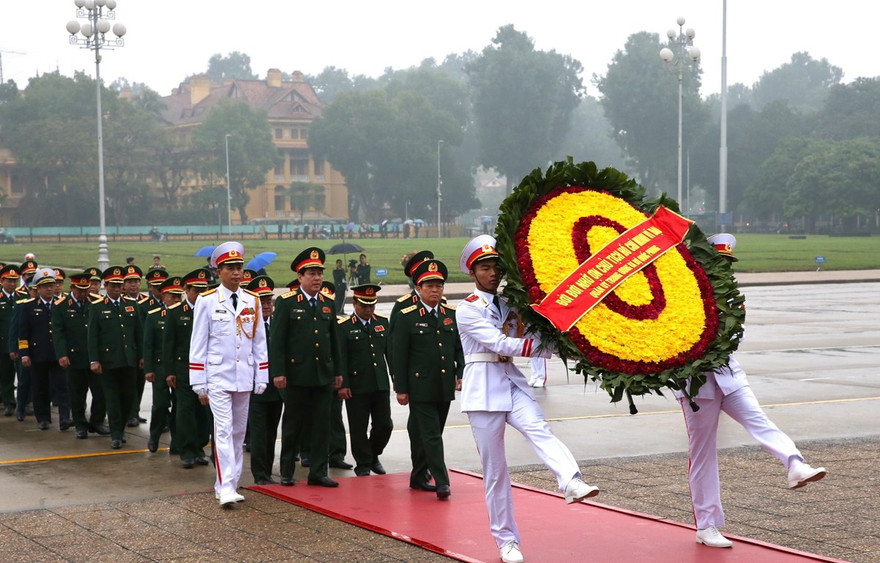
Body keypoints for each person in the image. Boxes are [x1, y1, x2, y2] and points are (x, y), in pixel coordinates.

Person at [677, 233, 827, 549]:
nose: (724, 268)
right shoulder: (683, 293)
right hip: (696, 385)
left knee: (759, 420)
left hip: (729, 376)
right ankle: (706, 526)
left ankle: (794, 464)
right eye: (719, 262)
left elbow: (737, 338)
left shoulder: (732, 297)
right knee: (703, 454)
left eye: (727, 263)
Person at [455, 235, 599, 563]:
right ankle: (506, 541)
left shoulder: (510, 304)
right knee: (495, 472)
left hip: (510, 382)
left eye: (496, 267)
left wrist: (569, 346)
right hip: (483, 392)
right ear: (472, 273)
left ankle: (571, 480)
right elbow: (501, 344)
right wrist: (546, 349)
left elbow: (532, 334)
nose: (492, 273)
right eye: (484, 268)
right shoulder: (467, 309)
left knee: (539, 428)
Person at [189, 242, 268, 507]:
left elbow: (259, 342)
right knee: (222, 430)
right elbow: (198, 343)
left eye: (239, 267)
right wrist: (198, 380)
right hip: (218, 376)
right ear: (219, 271)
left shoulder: (252, 300)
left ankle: (229, 483)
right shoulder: (207, 301)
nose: (236, 273)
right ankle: (225, 488)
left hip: (243, 375)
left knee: (238, 433)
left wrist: (262, 375)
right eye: (230, 268)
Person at [391, 258, 464, 500]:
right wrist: (401, 388)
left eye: (439, 286)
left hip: (443, 385)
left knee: (431, 433)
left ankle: (418, 475)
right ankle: (442, 481)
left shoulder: (449, 314)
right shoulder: (407, 316)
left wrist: (461, 374)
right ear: (418, 288)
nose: (435, 290)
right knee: (431, 435)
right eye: (429, 286)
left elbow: (459, 349)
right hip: (420, 386)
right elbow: (399, 355)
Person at [271, 247, 343, 488]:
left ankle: (319, 472)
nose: (317, 278)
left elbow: (334, 340)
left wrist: (338, 371)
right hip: (296, 375)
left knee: (322, 425)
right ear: (300, 276)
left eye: (319, 273)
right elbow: (278, 340)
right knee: (293, 425)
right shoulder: (287, 302)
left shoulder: (327, 303)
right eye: (311, 273)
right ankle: (287, 471)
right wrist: (278, 372)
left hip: (323, 375)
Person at [337, 284, 393, 476]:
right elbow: (341, 357)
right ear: (354, 304)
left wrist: (397, 378)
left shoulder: (382, 322)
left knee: (385, 425)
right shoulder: (344, 326)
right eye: (364, 305)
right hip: (356, 386)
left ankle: (373, 454)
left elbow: (390, 354)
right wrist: (343, 384)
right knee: (358, 428)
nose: (369, 309)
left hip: (379, 383)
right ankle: (363, 465)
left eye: (372, 305)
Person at [89, 266, 143, 449]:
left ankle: (121, 428)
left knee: (128, 397)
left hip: (129, 360)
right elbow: (92, 336)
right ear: (106, 286)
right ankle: (116, 434)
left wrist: (141, 356)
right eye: (113, 285)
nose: (117, 289)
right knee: (112, 400)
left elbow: (138, 333)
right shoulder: (97, 307)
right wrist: (94, 360)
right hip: (108, 361)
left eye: (119, 285)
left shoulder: (131, 304)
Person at [164, 268, 212, 469]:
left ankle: (199, 448)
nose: (200, 294)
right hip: (183, 368)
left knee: (203, 411)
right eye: (196, 290)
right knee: (185, 410)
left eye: (203, 290)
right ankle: (187, 451)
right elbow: (168, 344)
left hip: (206, 368)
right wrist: (169, 371)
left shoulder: (210, 310)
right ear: (187, 290)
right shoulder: (176, 312)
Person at [52, 271, 108, 439]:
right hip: (74, 357)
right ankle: (80, 425)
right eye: (79, 290)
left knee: (100, 392)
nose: (83, 293)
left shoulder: (96, 303)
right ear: (72, 288)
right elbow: (58, 332)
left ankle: (96, 422)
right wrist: (62, 354)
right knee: (77, 394)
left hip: (94, 356)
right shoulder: (61, 305)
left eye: (85, 289)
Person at [18, 268, 71, 431]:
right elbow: (23, 333)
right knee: (40, 387)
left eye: (51, 285)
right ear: (38, 289)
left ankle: (64, 418)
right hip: (38, 354)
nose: (49, 289)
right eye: (45, 286)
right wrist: (24, 354)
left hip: (58, 354)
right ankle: (43, 418)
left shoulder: (62, 304)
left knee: (62, 387)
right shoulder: (29, 307)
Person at [246, 275, 284, 485]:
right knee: (259, 435)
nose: (267, 305)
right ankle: (260, 475)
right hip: (255, 389)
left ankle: (267, 471)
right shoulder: (247, 327)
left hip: (277, 390)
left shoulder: (278, 324)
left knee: (271, 433)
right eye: (262, 301)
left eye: (269, 301)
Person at [143, 276, 184, 453]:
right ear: (163, 296)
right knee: (160, 404)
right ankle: (154, 436)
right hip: (159, 367)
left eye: (179, 296)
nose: (176, 300)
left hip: (178, 366)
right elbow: (148, 345)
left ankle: (176, 441)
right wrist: (149, 369)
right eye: (172, 296)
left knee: (179, 406)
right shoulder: (154, 316)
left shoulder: (184, 315)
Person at [0, 265, 20, 417]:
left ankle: (25, 402)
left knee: (25, 375)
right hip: (4, 342)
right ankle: (8, 402)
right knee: (6, 374)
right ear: (2, 281)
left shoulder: (22, 297)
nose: (12, 284)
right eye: (9, 281)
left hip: (21, 342)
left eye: (15, 281)